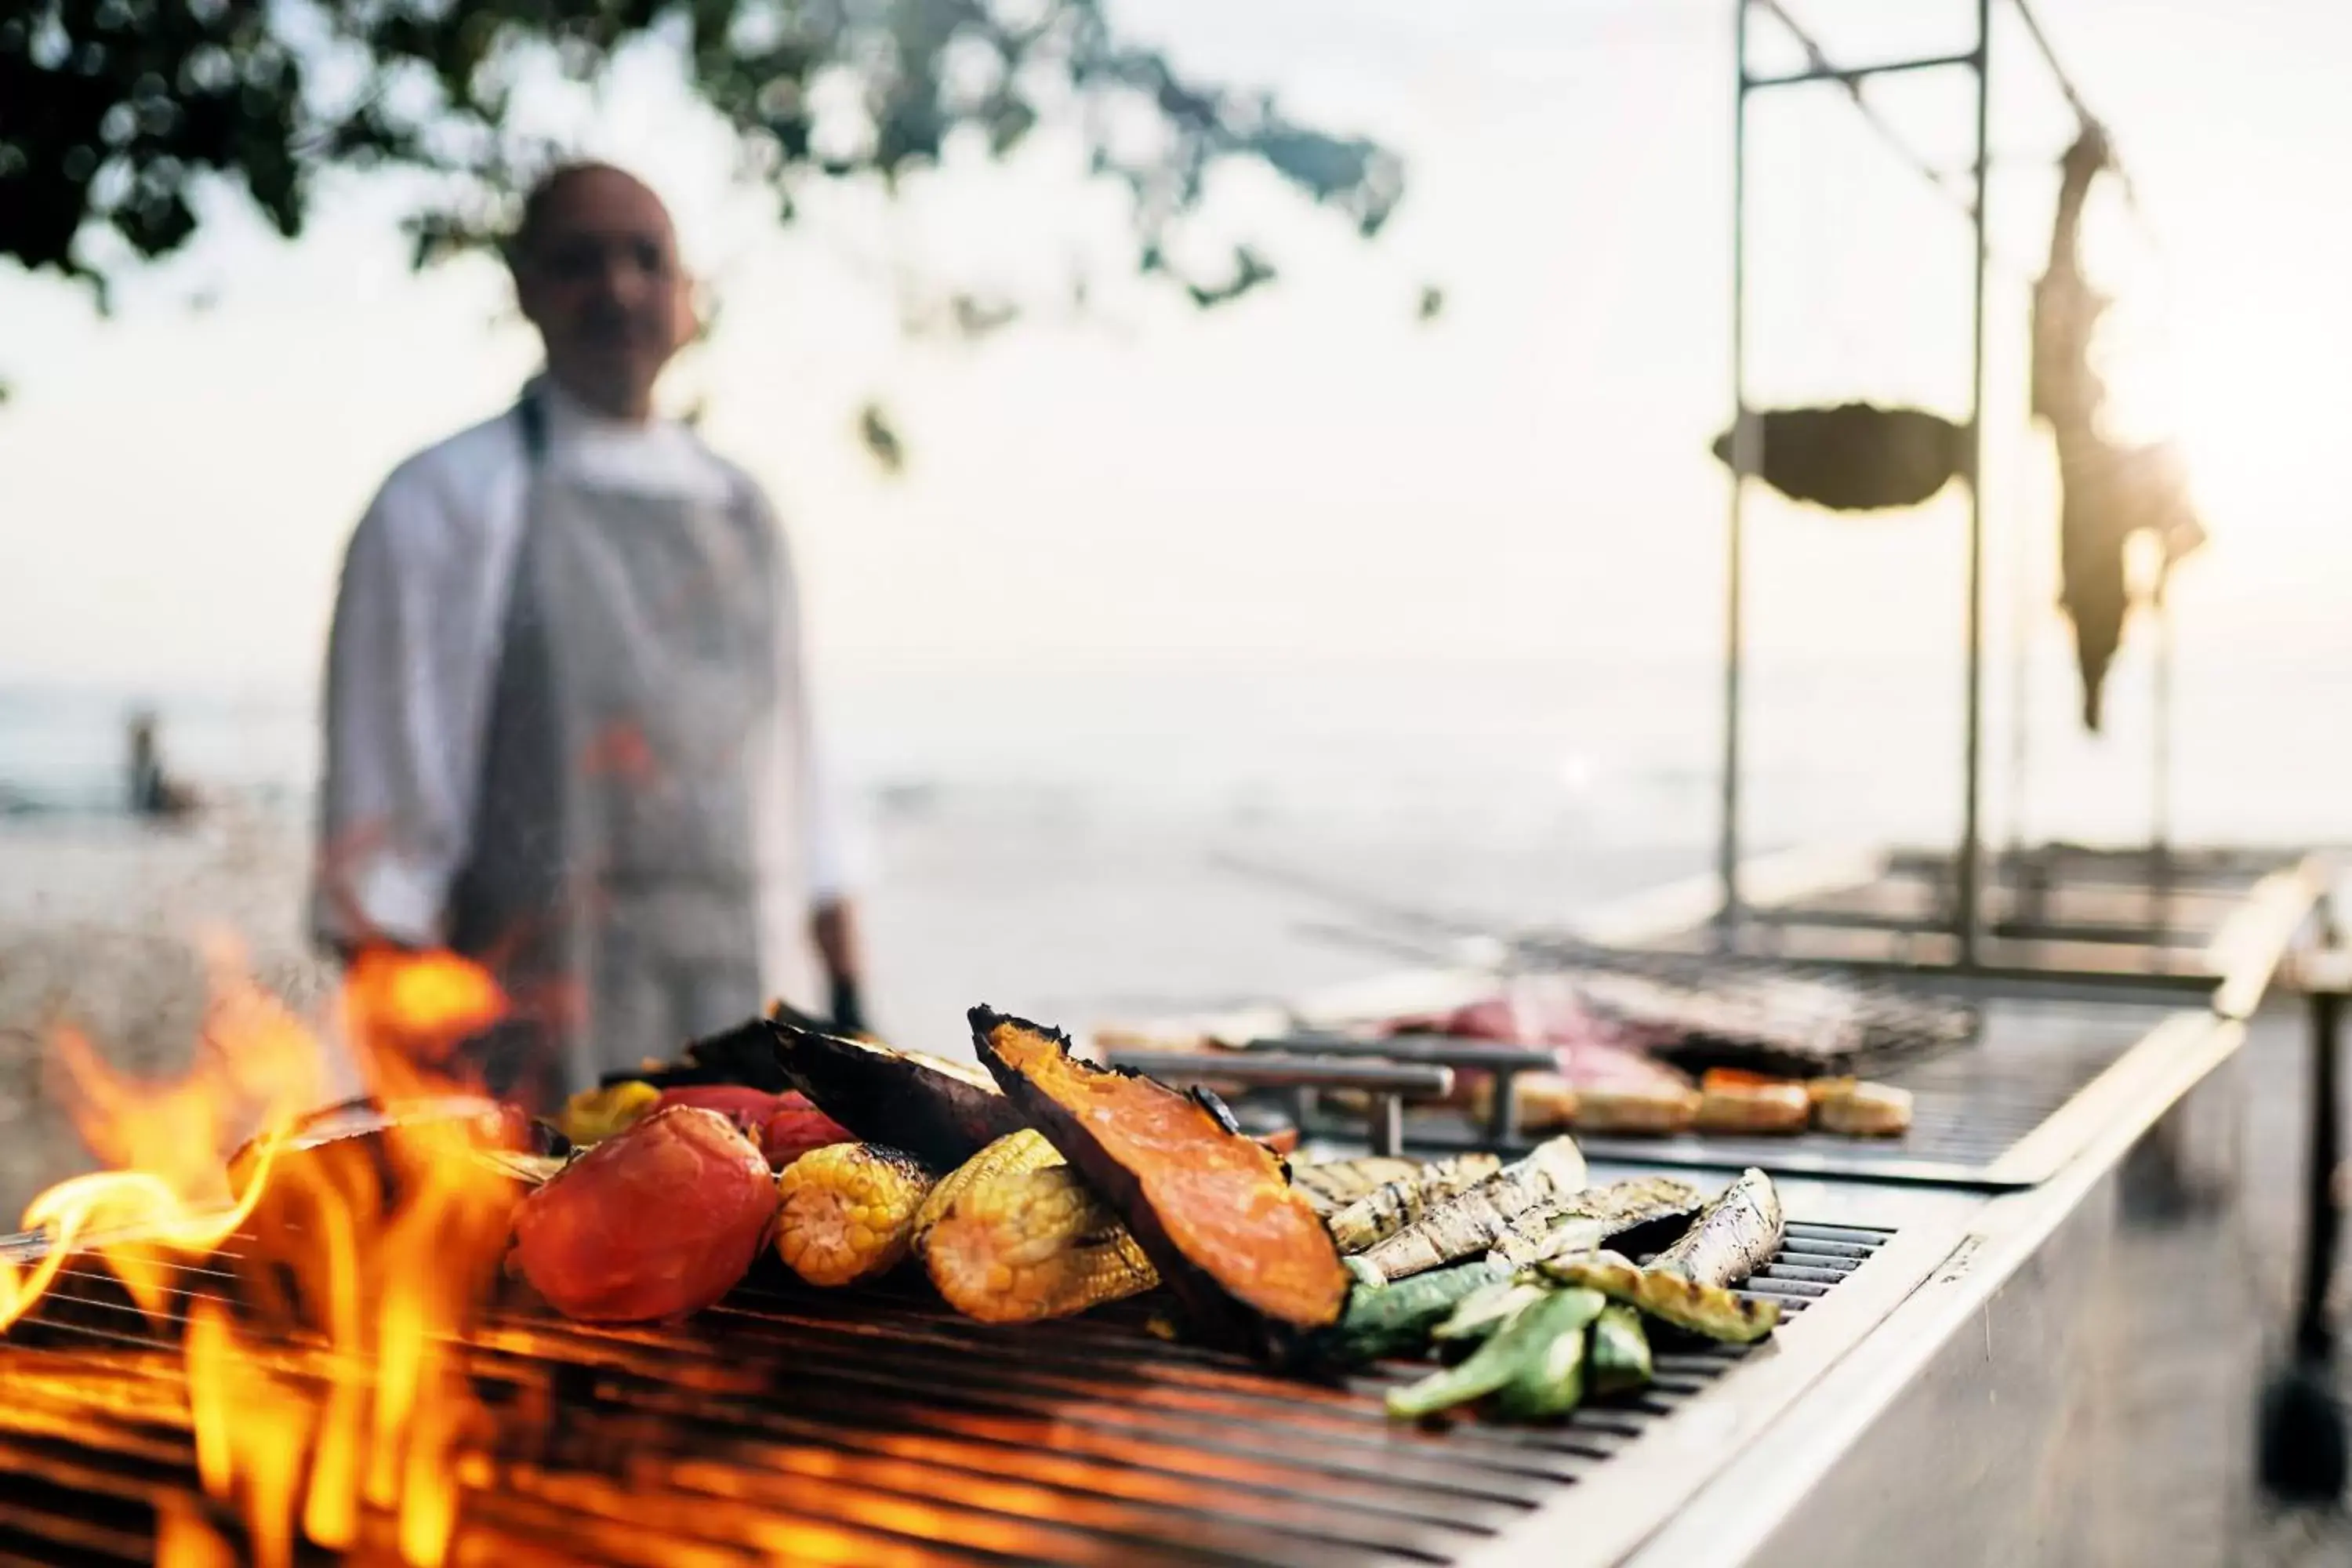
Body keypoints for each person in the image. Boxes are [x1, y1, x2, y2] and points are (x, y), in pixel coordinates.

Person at [312, 161, 864, 1109]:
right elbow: (379, 822)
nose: (618, 288)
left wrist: (850, 994)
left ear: (689, 297)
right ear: (526, 289)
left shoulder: (743, 510)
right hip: (512, 1040)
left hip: (732, 1018)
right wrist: (411, 1074)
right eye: (580, 261)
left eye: (647, 260)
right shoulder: (439, 501)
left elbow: (801, 778)